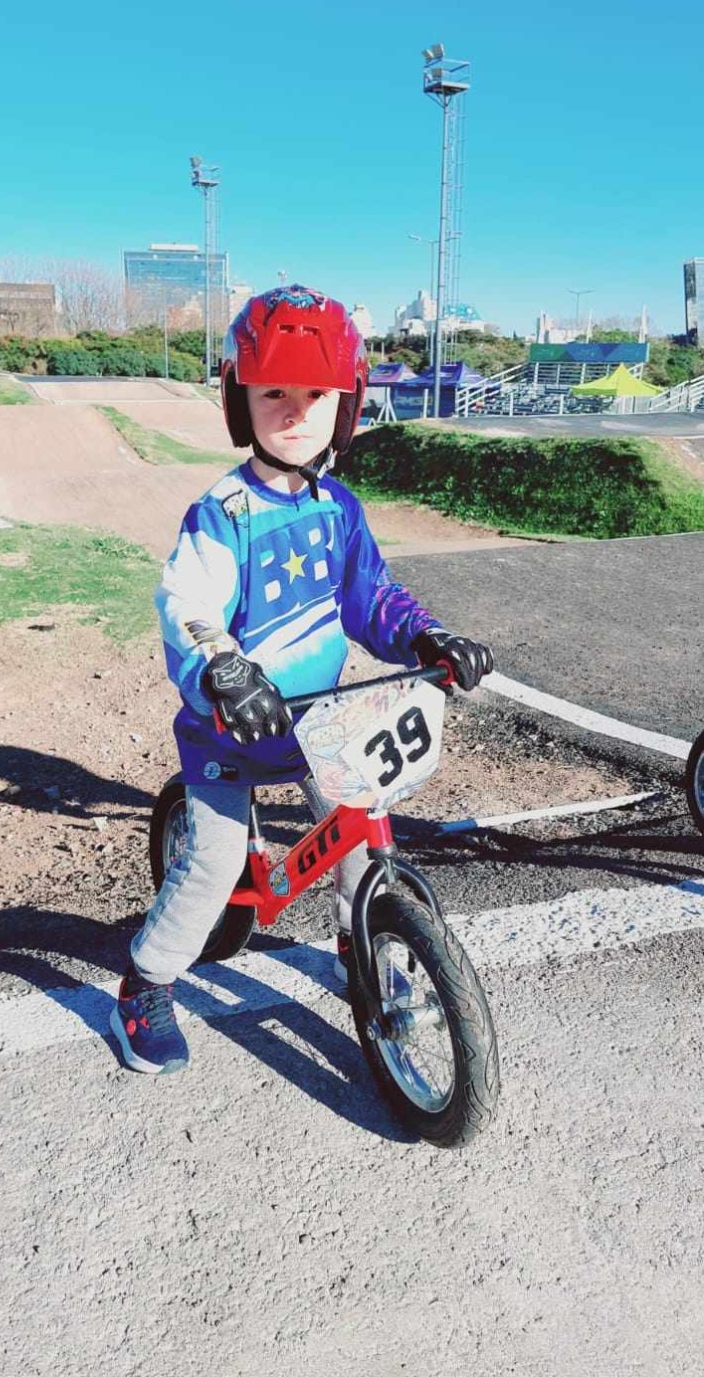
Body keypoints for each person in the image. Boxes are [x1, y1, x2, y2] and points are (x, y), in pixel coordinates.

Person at [110, 286, 493, 1074]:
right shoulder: (221, 513)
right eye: (273, 392)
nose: (294, 411)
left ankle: (365, 937)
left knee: (361, 825)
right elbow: (187, 601)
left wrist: (429, 637)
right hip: (231, 726)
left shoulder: (341, 509)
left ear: (345, 405)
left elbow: (373, 597)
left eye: (315, 394)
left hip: (319, 720)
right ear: (238, 400)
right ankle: (145, 985)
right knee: (214, 866)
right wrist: (221, 669)